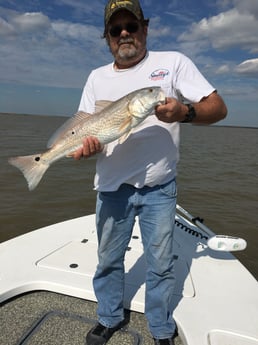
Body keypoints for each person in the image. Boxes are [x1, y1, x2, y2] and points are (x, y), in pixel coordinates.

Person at [73, 1, 227, 344]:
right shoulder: (96, 77)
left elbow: (217, 107)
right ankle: (109, 316)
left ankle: (160, 326)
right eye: (116, 29)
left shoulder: (173, 63)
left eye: (132, 25)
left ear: (145, 28)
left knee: (161, 263)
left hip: (159, 189)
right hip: (112, 187)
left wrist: (185, 111)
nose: (124, 33)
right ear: (107, 37)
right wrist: (83, 149)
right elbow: (83, 129)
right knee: (108, 259)